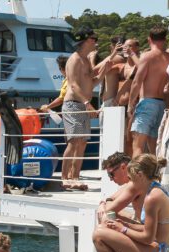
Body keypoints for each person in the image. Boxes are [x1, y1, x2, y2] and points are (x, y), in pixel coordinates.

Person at [91, 154, 169, 252]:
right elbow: (147, 228)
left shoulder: (152, 198)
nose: (130, 184)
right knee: (106, 225)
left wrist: (123, 229)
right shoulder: (155, 189)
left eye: (132, 179)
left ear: (140, 175)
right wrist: (124, 224)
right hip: (160, 250)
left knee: (98, 235)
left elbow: (148, 238)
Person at [62, 28, 117, 190]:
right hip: (74, 105)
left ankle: (75, 177)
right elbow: (73, 85)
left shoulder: (85, 60)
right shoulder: (74, 59)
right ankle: (65, 179)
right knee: (73, 142)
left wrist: (104, 72)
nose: (96, 41)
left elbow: (91, 83)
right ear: (86, 41)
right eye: (94, 38)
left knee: (82, 143)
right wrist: (87, 103)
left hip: (82, 105)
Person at [128, 26, 169, 157]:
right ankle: (156, 176)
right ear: (165, 39)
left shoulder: (147, 56)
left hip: (147, 102)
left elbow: (137, 81)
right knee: (155, 148)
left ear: (149, 39)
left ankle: (136, 177)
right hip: (161, 104)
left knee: (138, 145)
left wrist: (130, 104)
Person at [94, 152, 143, 224]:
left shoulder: (135, 184)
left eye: (111, 174)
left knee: (105, 217)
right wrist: (102, 204)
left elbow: (110, 210)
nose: (111, 179)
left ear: (123, 167)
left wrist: (104, 207)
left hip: (143, 228)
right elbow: (111, 198)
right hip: (139, 221)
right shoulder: (133, 181)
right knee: (107, 214)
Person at [100, 36, 126, 107]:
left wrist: (91, 59)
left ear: (112, 46)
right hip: (112, 100)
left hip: (110, 101)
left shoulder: (116, 59)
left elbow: (96, 71)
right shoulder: (124, 59)